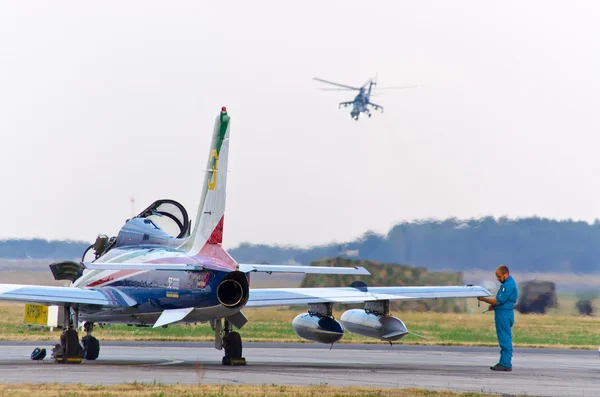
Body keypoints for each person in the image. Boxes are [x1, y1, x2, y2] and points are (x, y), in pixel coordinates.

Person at [478, 265, 518, 371]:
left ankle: (506, 363)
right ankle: (503, 361)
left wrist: (484, 299)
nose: (498, 279)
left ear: (505, 274)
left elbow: (499, 301)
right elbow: (500, 302)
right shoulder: (507, 284)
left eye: (499, 277)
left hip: (504, 315)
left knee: (505, 338)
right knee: (503, 338)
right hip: (502, 312)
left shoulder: (508, 285)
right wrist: (494, 306)